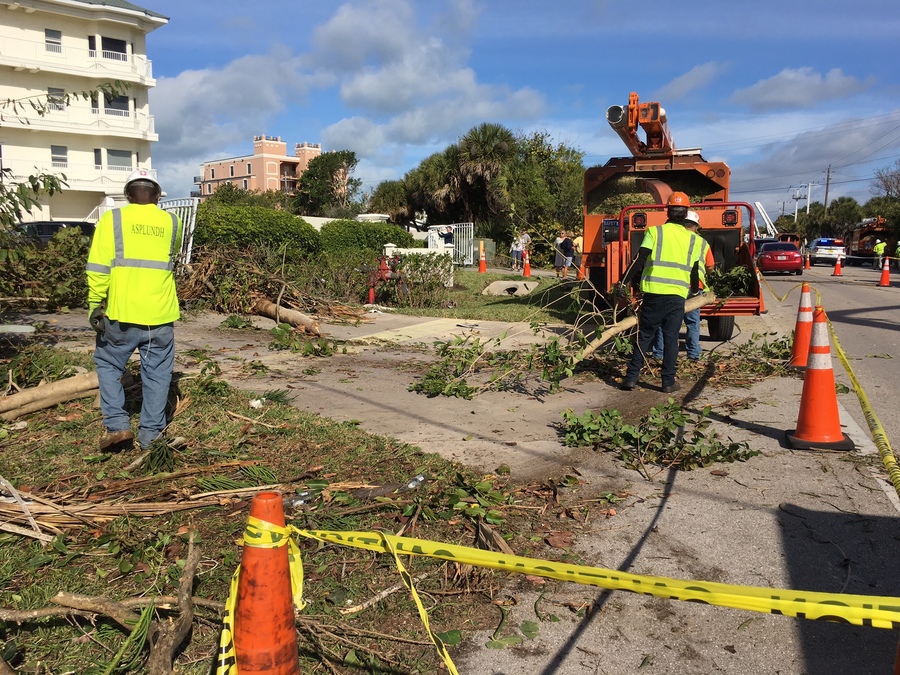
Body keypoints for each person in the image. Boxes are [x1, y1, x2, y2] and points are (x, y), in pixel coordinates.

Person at [86, 169, 183, 452]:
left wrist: (95, 303)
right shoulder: (172, 222)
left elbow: (98, 267)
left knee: (108, 364)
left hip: (121, 313)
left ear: (128, 194)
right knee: (158, 374)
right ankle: (151, 436)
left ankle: (117, 426)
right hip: (161, 315)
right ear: (157, 195)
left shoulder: (112, 219)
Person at [617, 192, 705, 393]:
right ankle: (667, 382)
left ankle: (631, 378)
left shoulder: (655, 232)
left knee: (645, 336)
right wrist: (693, 291)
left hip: (653, 294)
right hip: (676, 296)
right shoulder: (694, 240)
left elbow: (639, 259)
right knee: (671, 338)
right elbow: (694, 270)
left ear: (668, 211)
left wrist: (622, 282)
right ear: (685, 214)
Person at [649, 210, 715, 360]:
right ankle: (693, 354)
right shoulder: (701, 242)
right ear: (696, 226)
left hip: (671, 285)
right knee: (692, 321)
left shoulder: (669, 238)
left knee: (663, 320)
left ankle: (659, 353)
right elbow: (710, 266)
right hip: (693, 287)